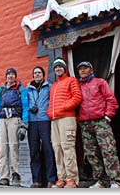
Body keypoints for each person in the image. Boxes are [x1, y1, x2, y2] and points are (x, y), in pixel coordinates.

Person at [77, 61, 120, 188]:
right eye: (80, 69)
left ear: (91, 70)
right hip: (85, 124)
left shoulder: (100, 82)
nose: (82, 70)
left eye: (85, 68)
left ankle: (115, 181)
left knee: (108, 150)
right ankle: (101, 181)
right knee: (92, 154)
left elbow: (111, 100)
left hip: (100, 121)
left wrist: (108, 116)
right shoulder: (77, 86)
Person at [47, 57, 82, 188]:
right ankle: (61, 178)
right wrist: (50, 112)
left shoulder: (71, 80)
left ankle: (72, 179)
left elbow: (77, 97)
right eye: (56, 67)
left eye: (60, 66)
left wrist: (62, 107)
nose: (58, 69)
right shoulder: (54, 85)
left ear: (64, 68)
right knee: (57, 148)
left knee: (67, 148)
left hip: (67, 118)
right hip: (54, 120)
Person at [0, 68, 29, 186]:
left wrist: (24, 125)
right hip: (2, 120)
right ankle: (4, 176)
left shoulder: (21, 90)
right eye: (8, 74)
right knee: (3, 148)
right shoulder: (2, 90)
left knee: (14, 146)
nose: (10, 76)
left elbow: (25, 107)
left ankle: (15, 174)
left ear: (15, 77)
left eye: (12, 74)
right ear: (6, 77)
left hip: (15, 119)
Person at [27, 66, 57, 188]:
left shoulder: (49, 87)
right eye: (35, 73)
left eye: (39, 72)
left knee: (48, 149)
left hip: (45, 120)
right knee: (34, 151)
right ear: (33, 75)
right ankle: (36, 180)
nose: (37, 74)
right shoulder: (28, 89)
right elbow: (25, 104)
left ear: (43, 75)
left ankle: (51, 179)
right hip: (32, 122)